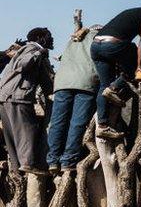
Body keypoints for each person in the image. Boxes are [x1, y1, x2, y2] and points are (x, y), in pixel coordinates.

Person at [0, 28, 55, 175]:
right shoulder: (32, 49)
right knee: (27, 130)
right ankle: (28, 164)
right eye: (49, 37)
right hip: (18, 96)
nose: (52, 39)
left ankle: (17, 168)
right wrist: (39, 53)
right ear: (40, 38)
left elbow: (46, 80)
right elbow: (23, 65)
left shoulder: (28, 51)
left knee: (11, 134)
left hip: (5, 96)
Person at [46, 25, 99, 172]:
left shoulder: (73, 39)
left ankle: (52, 160)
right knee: (77, 122)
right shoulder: (98, 38)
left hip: (63, 82)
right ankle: (68, 161)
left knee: (57, 121)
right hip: (86, 82)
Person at [90, 7, 141, 140]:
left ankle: (102, 126)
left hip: (96, 45)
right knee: (133, 68)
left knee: (104, 85)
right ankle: (114, 88)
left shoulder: (132, 13)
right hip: (113, 45)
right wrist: (139, 66)